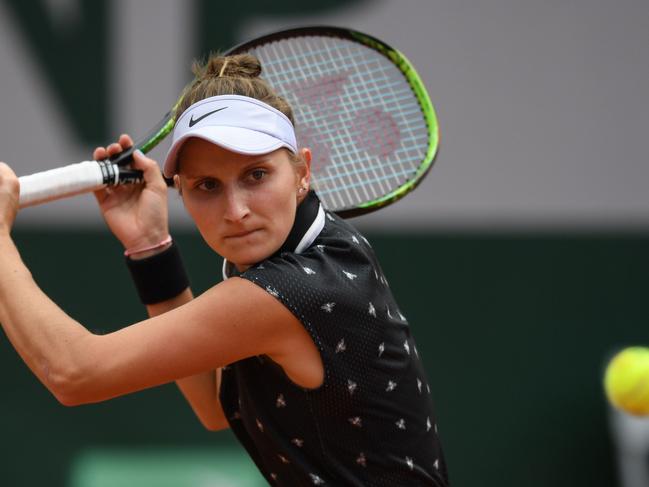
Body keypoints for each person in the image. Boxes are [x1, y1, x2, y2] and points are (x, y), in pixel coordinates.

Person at [0, 54, 449, 486]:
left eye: (256, 175)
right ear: (182, 193)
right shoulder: (322, 249)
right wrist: (149, 249)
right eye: (207, 186)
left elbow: (74, 374)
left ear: (302, 173)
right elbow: (216, 404)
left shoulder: (289, 291)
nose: (235, 211)